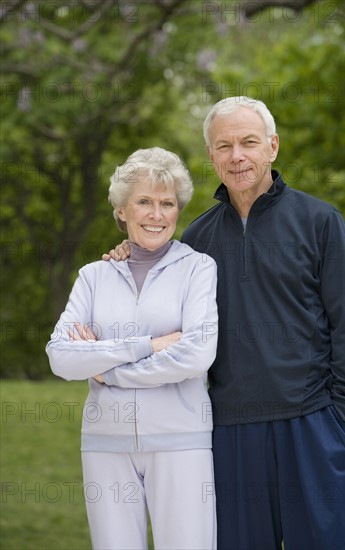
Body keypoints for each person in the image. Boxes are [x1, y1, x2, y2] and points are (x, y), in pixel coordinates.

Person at [105, 97, 345, 549]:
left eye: (248, 142)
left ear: (272, 147)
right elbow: (164, 310)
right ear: (211, 156)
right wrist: (127, 253)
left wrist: (340, 414)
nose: (237, 156)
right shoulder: (197, 238)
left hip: (313, 423)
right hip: (230, 431)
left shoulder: (320, 222)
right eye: (223, 146)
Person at [46, 147, 218, 550]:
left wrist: (107, 367)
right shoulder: (93, 276)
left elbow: (196, 354)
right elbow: (61, 356)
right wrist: (150, 344)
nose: (156, 215)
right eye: (144, 202)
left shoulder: (198, 268)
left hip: (182, 442)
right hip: (105, 443)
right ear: (122, 210)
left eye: (167, 204)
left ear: (178, 210)